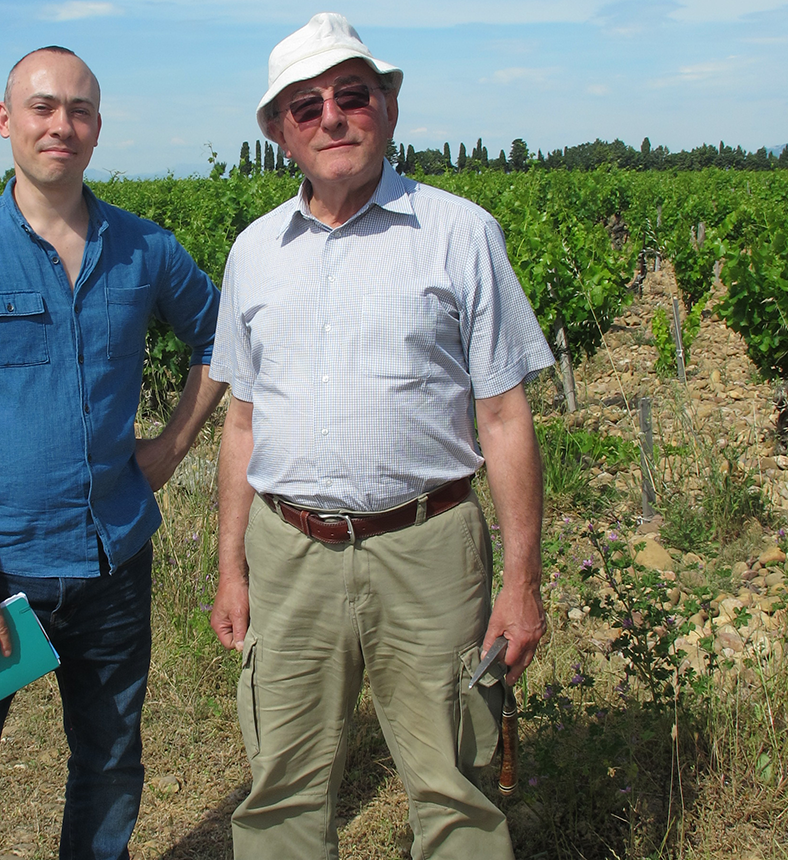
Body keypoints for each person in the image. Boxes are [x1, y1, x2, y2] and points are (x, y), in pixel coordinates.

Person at [208, 13, 556, 860]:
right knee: (279, 789)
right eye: (305, 106)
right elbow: (242, 421)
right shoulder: (254, 250)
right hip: (287, 550)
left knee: (455, 789)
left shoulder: (461, 233)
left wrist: (521, 581)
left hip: (429, 547)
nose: (331, 117)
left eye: (351, 96)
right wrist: (230, 567)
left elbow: (505, 416)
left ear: (388, 108)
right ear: (278, 133)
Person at [0, 46, 224, 860]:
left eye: (78, 110)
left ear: (98, 128)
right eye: (42, 107)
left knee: (109, 764)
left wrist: (174, 445)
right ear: (6, 121)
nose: (61, 125)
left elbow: (224, 337)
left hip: (114, 564)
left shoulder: (145, 249)